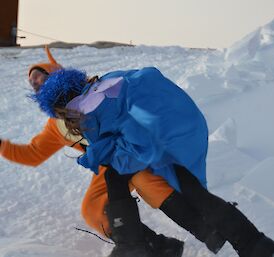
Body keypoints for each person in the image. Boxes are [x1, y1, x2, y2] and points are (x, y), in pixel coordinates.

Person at [0, 47, 229, 257]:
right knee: (92, 209)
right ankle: (155, 246)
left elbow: (130, 96)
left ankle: (207, 228)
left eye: (41, 74)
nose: (37, 81)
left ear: (58, 73)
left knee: (146, 181)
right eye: (33, 82)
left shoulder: (94, 88)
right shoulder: (55, 126)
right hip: (109, 163)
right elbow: (31, 154)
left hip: (134, 146)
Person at [33, 67, 274, 257]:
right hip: (172, 135)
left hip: (156, 142)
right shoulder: (105, 84)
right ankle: (255, 244)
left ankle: (132, 244)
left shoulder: (88, 107)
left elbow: (127, 140)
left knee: (118, 176)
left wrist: (96, 156)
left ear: (60, 106)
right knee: (191, 190)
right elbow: (121, 130)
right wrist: (96, 155)